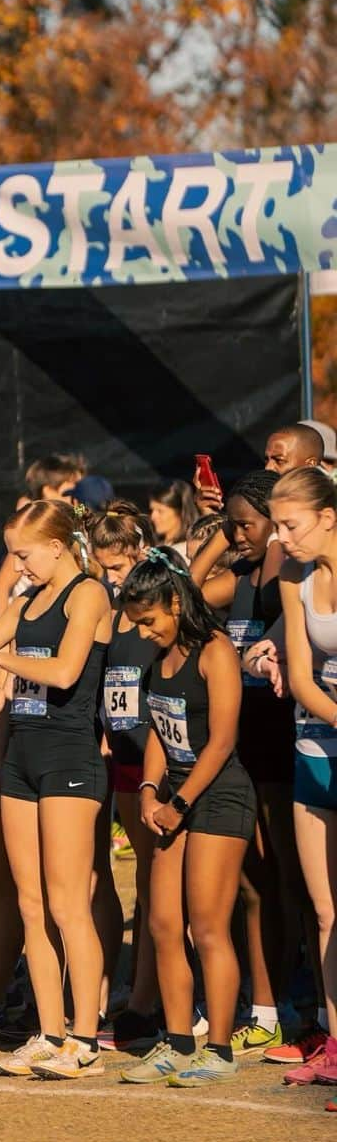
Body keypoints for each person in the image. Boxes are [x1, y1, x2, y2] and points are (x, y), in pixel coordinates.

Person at [0, 499, 110, 1080]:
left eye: (23, 553)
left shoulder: (86, 594)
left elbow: (67, 671)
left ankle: (85, 1037)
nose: (17, 565)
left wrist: (2, 661)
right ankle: (49, 1033)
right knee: (30, 902)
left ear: (57, 545)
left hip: (69, 757)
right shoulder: (25, 600)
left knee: (70, 903)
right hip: (19, 757)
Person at [118, 547, 256, 1087]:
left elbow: (221, 742)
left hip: (219, 799)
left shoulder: (214, 650)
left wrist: (177, 804)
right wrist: (151, 791)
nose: (144, 632)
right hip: (174, 799)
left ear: (175, 603)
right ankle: (177, 1043)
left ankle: (218, 1048)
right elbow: (157, 728)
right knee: (162, 923)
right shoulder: (162, 659)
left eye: (149, 620)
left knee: (207, 927)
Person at [191, 470, 303, 1057]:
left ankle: (295, 1003)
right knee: (251, 885)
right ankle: (265, 1004)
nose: (238, 533)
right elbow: (179, 595)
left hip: (282, 744)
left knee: (289, 881)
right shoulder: (237, 574)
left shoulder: (286, 575)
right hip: (239, 747)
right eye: (232, 523)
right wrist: (218, 537)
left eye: (246, 523)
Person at [268, 466, 337, 1094]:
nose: (283, 538)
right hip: (317, 746)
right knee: (324, 910)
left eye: (291, 525)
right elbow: (306, 675)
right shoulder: (294, 576)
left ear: (328, 516)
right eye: (277, 526)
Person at [88, 502, 161, 1051]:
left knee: (157, 886)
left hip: (153, 764)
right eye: (105, 567)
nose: (114, 578)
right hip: (115, 761)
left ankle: (147, 999)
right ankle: (115, 989)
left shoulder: (155, 609)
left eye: (121, 566)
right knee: (107, 884)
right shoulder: (107, 612)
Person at [148, 481, 198, 554]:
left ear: (181, 512)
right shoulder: (159, 546)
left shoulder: (185, 551)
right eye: (152, 510)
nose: (153, 517)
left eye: (160, 511)